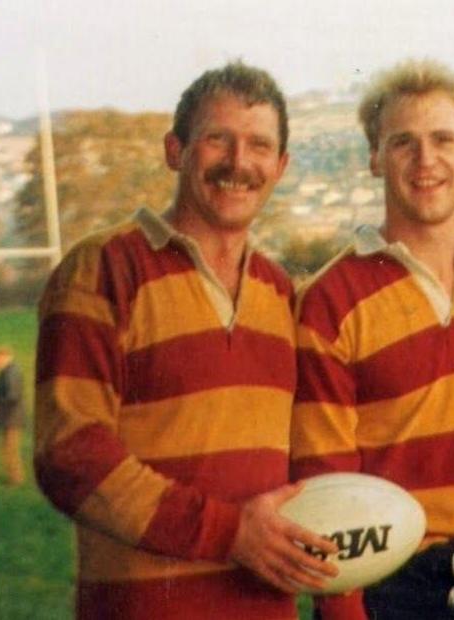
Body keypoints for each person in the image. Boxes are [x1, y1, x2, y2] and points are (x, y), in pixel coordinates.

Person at [34, 62, 338, 619]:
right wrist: (229, 533)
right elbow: (70, 453)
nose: (239, 162)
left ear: (281, 166)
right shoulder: (102, 267)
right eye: (218, 139)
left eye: (259, 146)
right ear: (175, 151)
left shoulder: (280, 292)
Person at [291, 59, 454, 619]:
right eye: (403, 142)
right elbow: (322, 480)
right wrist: (344, 609)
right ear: (374, 158)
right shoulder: (330, 299)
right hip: (384, 589)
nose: (426, 160)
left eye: (443, 139)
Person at [0, 345, 25, 486]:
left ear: (3, 357)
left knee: (9, 449)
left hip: (12, 418)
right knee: (6, 448)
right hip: (9, 417)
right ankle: (13, 477)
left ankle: (15, 479)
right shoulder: (6, 372)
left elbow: (12, 396)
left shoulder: (11, 373)